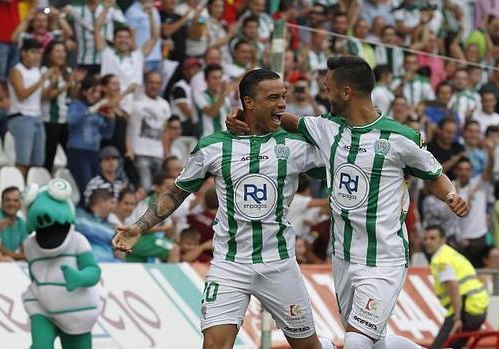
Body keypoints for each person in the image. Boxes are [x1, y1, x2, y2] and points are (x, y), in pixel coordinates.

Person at [226, 56, 468, 349]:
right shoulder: (328, 128)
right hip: (343, 256)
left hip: (384, 258)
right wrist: (246, 118)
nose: (324, 95)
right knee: (373, 341)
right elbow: (287, 122)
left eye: (328, 89)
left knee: (355, 340)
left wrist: (451, 195)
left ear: (346, 92)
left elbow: (435, 174)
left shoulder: (400, 137)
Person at [113, 69, 335, 349]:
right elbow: (176, 192)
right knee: (215, 345)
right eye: (273, 97)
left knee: (308, 347)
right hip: (230, 264)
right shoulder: (214, 147)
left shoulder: (294, 146)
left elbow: (337, 147)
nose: (281, 103)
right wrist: (141, 224)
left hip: (279, 264)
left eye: (284, 97)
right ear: (249, 102)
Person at [423, 225, 489, 349]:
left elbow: (453, 287)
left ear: (443, 239)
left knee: (439, 347)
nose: (428, 242)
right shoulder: (451, 253)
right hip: (478, 308)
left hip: (466, 310)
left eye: (432, 238)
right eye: (425, 239)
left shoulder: (441, 259)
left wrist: (457, 318)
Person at [8, 38, 52, 176]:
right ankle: (19, 191)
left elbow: (43, 97)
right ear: (24, 53)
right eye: (33, 52)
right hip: (21, 117)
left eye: (39, 53)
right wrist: (42, 81)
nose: (36, 56)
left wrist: (54, 84)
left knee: (38, 163)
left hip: (37, 117)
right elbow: (21, 94)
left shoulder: (37, 71)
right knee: (23, 161)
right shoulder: (17, 71)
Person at [95, 0, 159, 93]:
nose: (123, 40)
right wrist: (106, 8)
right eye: (119, 37)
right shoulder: (106, 54)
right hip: (111, 102)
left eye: (126, 38)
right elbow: (97, 30)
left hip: (134, 103)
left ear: (131, 40)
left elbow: (154, 37)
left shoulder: (138, 56)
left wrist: (151, 15)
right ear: (114, 40)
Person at [67, 76, 116, 195]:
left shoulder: (99, 111)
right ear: (84, 91)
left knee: (95, 183)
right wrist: (91, 110)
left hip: (94, 151)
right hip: (78, 150)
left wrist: (111, 120)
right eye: (93, 91)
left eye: (99, 92)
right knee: (85, 184)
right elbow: (71, 120)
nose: (97, 95)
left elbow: (107, 135)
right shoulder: (76, 104)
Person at [41, 40, 82, 172]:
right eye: (57, 51)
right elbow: (45, 96)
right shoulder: (44, 71)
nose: (61, 54)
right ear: (49, 54)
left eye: (63, 51)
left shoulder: (67, 71)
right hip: (49, 120)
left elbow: (73, 96)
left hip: (65, 119)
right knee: (48, 158)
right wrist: (65, 85)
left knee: (72, 156)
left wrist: (75, 84)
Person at [128, 71, 172, 190]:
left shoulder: (165, 105)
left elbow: (165, 131)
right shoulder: (135, 102)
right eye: (151, 82)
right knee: (145, 187)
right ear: (145, 84)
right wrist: (129, 148)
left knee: (158, 189)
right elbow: (127, 126)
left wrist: (166, 152)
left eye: (157, 83)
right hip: (140, 151)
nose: (154, 86)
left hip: (158, 153)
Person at [453, 140, 494, 266]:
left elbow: (489, 168)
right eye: (460, 169)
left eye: (467, 169)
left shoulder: (478, 184)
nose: (464, 172)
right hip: (461, 239)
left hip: (479, 237)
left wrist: (491, 152)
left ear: (471, 171)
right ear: (456, 171)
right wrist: (458, 238)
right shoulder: (451, 187)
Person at [65, 0, 126, 75]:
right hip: (84, 60)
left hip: (107, 60)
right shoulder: (74, 7)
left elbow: (125, 27)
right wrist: (67, 39)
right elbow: (60, 22)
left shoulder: (111, 7)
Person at [76, 188, 121, 263]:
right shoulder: (80, 215)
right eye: (111, 202)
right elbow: (84, 227)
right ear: (101, 202)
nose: (114, 207)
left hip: (112, 262)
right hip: (90, 263)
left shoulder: (107, 224)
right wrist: (114, 232)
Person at [194, 63, 236, 138]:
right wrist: (224, 93)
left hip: (225, 140)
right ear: (206, 80)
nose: (218, 81)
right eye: (214, 78)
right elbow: (211, 113)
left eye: (219, 78)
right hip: (208, 141)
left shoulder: (225, 98)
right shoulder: (200, 95)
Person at [126, 0, 163, 72]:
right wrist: (139, 60)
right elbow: (131, 39)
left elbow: (156, 35)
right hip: (144, 58)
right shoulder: (132, 11)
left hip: (157, 58)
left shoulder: (154, 10)